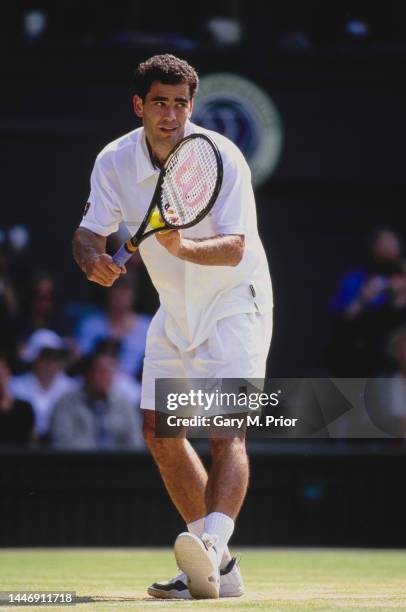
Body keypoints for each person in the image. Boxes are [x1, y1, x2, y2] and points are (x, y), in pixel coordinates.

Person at [72, 54, 273, 599]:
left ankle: (208, 547)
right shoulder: (113, 161)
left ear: (191, 106)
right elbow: (89, 233)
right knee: (159, 433)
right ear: (139, 105)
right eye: (160, 102)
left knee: (225, 431)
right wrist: (92, 258)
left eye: (181, 103)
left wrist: (182, 246)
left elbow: (235, 248)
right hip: (174, 308)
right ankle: (220, 570)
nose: (171, 114)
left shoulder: (221, 155)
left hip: (235, 303)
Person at [50, 349, 143, 450]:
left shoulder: (124, 405)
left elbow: (135, 443)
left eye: (109, 372)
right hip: (78, 463)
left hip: (118, 463)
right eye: (100, 371)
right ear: (88, 374)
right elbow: (61, 443)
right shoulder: (66, 404)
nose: (104, 376)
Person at [75, 275, 150, 380]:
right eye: (116, 289)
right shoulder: (90, 323)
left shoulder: (147, 327)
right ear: (108, 292)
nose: (119, 295)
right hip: (94, 381)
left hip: (132, 386)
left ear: (134, 295)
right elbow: (81, 359)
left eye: (124, 290)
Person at [9, 329, 77, 441]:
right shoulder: (15, 386)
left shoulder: (71, 388)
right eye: (45, 358)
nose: (51, 364)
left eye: (56, 358)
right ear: (34, 359)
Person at [0, 353, 34, 447]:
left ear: (8, 372)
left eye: (2, 370)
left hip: (20, 460)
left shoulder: (24, 408)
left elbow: (31, 442)